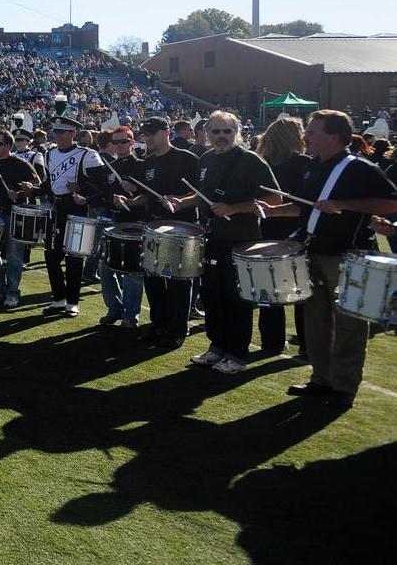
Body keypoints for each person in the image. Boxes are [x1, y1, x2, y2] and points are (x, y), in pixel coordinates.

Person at [261, 110, 397, 407]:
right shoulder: (313, 168)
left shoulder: (359, 168)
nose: (306, 136)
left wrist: (343, 205)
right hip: (313, 252)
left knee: (349, 324)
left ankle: (344, 387)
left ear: (334, 135)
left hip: (346, 255)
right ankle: (321, 379)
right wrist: (274, 211)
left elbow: (391, 202)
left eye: (312, 131)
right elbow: (307, 209)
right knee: (315, 322)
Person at [162, 111, 277, 375]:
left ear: (237, 132)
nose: (222, 136)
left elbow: (274, 201)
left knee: (236, 299)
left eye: (227, 131)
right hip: (211, 238)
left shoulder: (252, 161)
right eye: (216, 131)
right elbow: (205, 195)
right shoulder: (206, 159)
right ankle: (217, 347)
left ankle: (237, 354)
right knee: (212, 296)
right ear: (207, 133)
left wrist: (234, 208)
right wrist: (184, 201)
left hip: (241, 239)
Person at [123, 116, 202, 350]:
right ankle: (158, 325)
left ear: (166, 133)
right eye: (145, 134)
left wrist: (180, 201)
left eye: (151, 134)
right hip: (154, 225)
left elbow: (200, 194)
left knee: (178, 279)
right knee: (153, 278)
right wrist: (131, 198)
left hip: (181, 226)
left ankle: (178, 329)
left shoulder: (187, 159)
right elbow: (148, 196)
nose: (147, 138)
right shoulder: (148, 162)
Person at [254, 116, 315, 355]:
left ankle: (272, 341)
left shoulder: (261, 162)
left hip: (267, 230)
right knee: (302, 292)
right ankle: (307, 344)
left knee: (269, 291)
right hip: (297, 231)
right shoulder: (305, 163)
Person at [41, 116, 107, 317]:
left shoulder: (87, 155)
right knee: (51, 255)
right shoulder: (50, 153)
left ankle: (72, 302)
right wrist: (31, 191)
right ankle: (58, 298)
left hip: (77, 208)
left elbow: (103, 185)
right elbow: (49, 183)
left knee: (74, 256)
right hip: (56, 208)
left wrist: (83, 191)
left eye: (62, 132)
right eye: (55, 131)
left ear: (72, 134)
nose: (57, 135)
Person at [0, 130, 39, 307]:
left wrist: (20, 192)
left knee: (14, 256)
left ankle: (12, 292)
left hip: (16, 213)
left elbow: (36, 183)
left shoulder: (21, 164)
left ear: (7, 145)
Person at [95, 128, 145, 327]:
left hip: (137, 223)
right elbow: (104, 194)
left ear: (132, 142)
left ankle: (130, 315)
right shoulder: (108, 167)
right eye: (116, 142)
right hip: (115, 222)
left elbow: (152, 195)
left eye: (124, 141)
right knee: (105, 268)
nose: (120, 146)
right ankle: (114, 309)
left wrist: (135, 190)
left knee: (133, 272)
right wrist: (112, 198)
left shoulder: (143, 166)